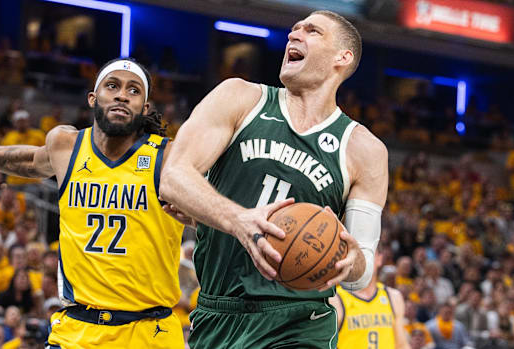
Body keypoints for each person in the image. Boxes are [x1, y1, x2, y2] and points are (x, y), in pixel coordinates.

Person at [0, 58, 186, 348]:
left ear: (145, 108)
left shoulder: (168, 157)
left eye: (134, 90)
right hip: (77, 329)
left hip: (148, 330)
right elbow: (26, 160)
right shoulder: (65, 145)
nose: (122, 94)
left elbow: (207, 209)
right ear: (93, 98)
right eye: (112, 86)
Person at [160, 10, 388, 348]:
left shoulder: (364, 148)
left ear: (343, 57)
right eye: (294, 29)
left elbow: (362, 270)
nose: (294, 35)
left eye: (312, 31)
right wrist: (235, 220)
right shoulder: (240, 97)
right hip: (219, 311)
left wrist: (351, 263)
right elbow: (174, 177)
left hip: (300, 321)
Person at [328, 250, 410, 349]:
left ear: (379, 258)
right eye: (359, 253)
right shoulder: (335, 299)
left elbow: (402, 345)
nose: (363, 259)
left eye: (368, 252)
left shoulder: (393, 296)